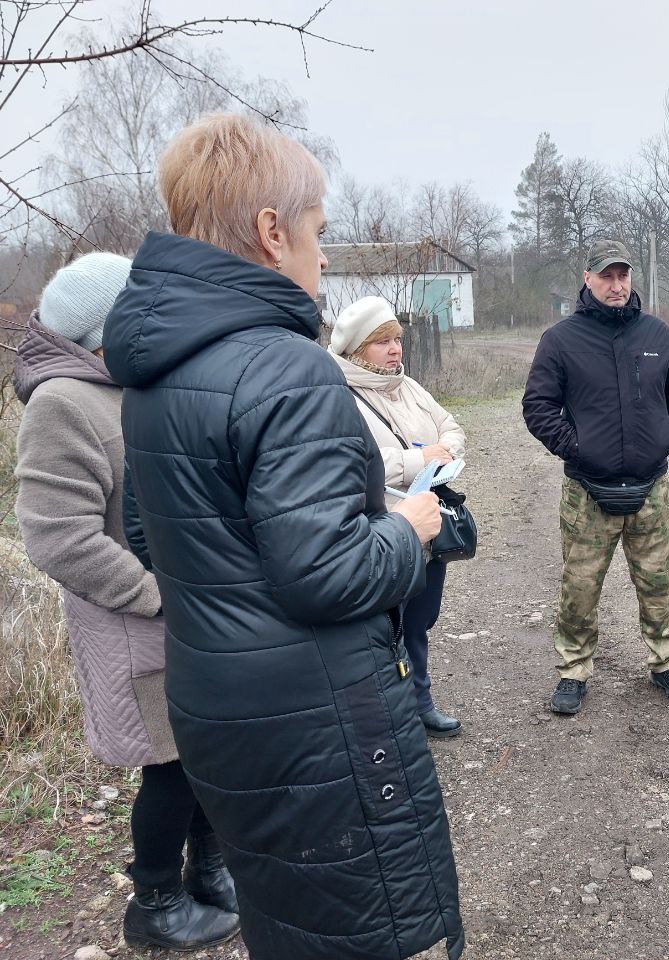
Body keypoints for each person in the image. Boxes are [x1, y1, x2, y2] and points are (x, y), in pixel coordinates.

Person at [100, 114, 464, 960]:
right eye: (318, 230)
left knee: (287, 919)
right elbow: (327, 575)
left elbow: (151, 540)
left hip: (214, 705)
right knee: (364, 928)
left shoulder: (155, 372)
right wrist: (407, 528)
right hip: (314, 719)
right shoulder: (283, 365)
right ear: (272, 231)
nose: (323, 256)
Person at [15, 253, 240, 951]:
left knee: (205, 755)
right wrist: (156, 596)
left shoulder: (130, 386)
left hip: (186, 619)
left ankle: (211, 872)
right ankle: (156, 903)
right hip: (135, 623)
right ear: (104, 331)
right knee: (169, 767)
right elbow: (59, 538)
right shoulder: (62, 402)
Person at [523, 239, 669, 715]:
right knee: (579, 588)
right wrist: (578, 448)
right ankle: (574, 669)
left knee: (657, 584)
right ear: (588, 279)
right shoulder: (561, 340)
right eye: (607, 276)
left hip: (651, 489)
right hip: (587, 493)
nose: (617, 285)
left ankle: (667, 663)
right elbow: (538, 407)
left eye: (623, 275)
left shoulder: (657, 334)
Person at [330, 295, 466, 738]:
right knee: (384, 628)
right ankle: (387, 715)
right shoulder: (337, 394)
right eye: (382, 342)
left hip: (429, 526)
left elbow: (451, 426)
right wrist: (418, 460)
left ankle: (420, 701)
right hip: (382, 530)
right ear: (356, 348)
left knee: (420, 621)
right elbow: (352, 461)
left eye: (397, 340)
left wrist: (445, 452)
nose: (395, 350)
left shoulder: (406, 385)